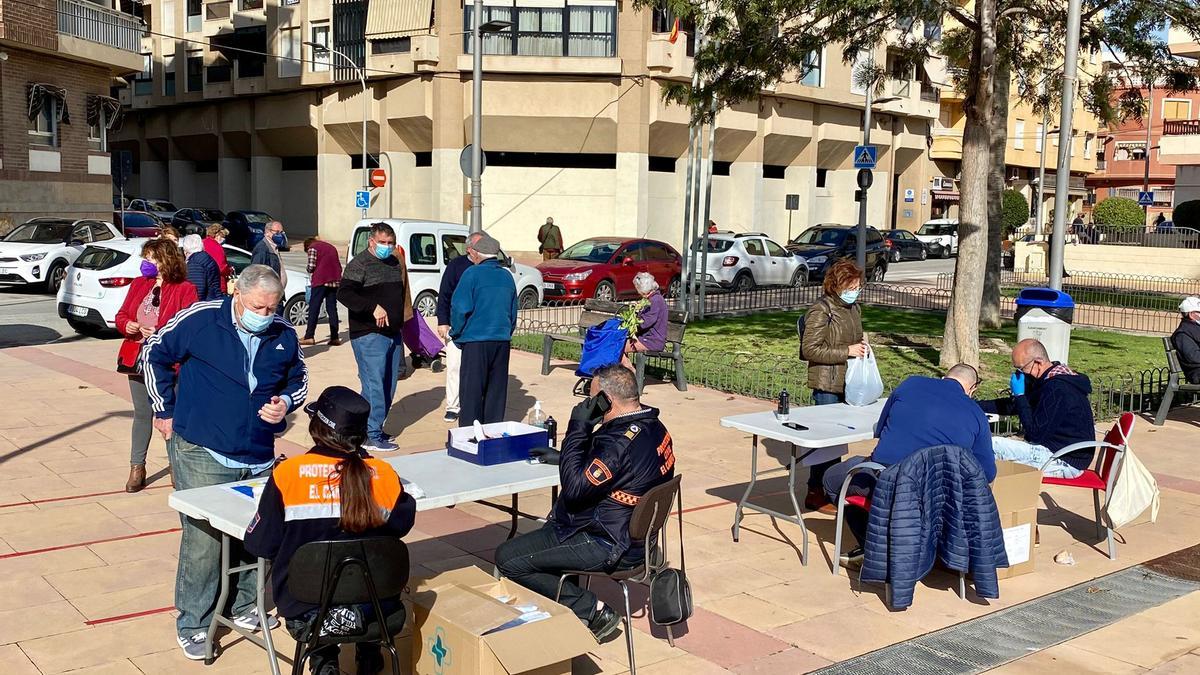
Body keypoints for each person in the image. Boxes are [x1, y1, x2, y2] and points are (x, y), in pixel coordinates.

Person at [142, 265, 308, 660]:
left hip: (258, 453)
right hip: (203, 447)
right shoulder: (200, 319)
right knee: (205, 541)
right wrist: (163, 409)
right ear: (238, 296)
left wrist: (285, 402)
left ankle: (245, 604)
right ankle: (195, 622)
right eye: (258, 307)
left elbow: (298, 378)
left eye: (271, 308)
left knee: (258, 533)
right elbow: (154, 354)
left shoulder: (283, 333)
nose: (265, 315)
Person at [495, 365, 675, 640]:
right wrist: (565, 456)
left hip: (609, 543)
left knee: (509, 558)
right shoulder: (653, 427)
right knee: (543, 539)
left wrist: (578, 427)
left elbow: (576, 489)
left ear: (607, 400)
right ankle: (560, 617)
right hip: (635, 537)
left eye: (592, 398)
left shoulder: (617, 443)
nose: (587, 404)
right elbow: (617, 468)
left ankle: (593, 611)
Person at [245, 386, 416, 675]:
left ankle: (324, 662)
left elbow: (260, 544)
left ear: (316, 428)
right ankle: (370, 653)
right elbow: (402, 525)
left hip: (308, 610)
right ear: (360, 435)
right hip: (376, 607)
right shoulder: (384, 473)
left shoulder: (288, 474)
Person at [822, 366, 995, 561]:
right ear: (972, 389)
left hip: (888, 481)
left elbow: (880, 428)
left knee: (832, 478)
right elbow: (987, 473)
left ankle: (871, 547)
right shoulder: (977, 414)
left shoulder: (910, 384)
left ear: (943, 377)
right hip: (938, 497)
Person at [114, 238, 197, 493]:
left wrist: (160, 332)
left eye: (151, 258)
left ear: (166, 260)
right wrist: (127, 325)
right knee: (142, 413)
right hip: (137, 359)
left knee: (170, 415)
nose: (146, 263)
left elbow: (189, 327)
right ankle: (137, 467)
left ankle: (176, 466)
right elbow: (122, 314)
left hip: (168, 363)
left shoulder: (185, 288)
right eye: (146, 258)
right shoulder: (140, 284)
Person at [800, 258, 869, 512]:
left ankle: (832, 488)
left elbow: (855, 337)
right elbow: (810, 349)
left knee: (838, 440)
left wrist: (862, 345)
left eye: (859, 286)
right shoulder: (822, 309)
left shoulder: (853, 309)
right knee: (826, 443)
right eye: (852, 285)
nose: (856, 290)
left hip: (848, 381)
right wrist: (847, 351)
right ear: (838, 284)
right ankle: (817, 491)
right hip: (827, 383)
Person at [338, 222, 413, 452]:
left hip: (392, 333)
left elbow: (401, 294)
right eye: (382, 243)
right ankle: (370, 435)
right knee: (374, 386)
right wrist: (372, 307)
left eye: (390, 243)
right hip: (369, 334)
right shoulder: (359, 263)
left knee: (388, 385)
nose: (387, 247)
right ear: (371, 241)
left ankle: (369, 427)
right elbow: (344, 293)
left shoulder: (393, 261)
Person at [978, 338, 1094, 479]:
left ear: (1038, 362)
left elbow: (1035, 434)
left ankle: (983, 495)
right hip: (1053, 449)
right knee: (992, 449)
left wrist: (1020, 395)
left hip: (1064, 460)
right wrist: (974, 405)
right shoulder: (1047, 379)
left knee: (989, 445)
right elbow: (1013, 406)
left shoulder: (1057, 388)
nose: (1019, 374)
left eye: (1021, 369)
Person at [450, 232, 518, 426]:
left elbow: (460, 307)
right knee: (496, 391)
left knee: (471, 392)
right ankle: (493, 432)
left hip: (475, 341)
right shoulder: (506, 276)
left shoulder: (472, 273)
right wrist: (506, 331)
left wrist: (456, 332)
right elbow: (513, 311)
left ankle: (469, 435)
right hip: (501, 340)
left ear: (477, 255)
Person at [436, 231, 484, 423]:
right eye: (479, 247)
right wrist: (442, 322)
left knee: (477, 370)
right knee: (455, 367)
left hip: (479, 329)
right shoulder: (456, 266)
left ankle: (474, 404)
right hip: (456, 327)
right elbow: (445, 295)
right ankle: (453, 406)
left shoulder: (488, 267)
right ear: (469, 248)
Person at [301, 236, 343, 347]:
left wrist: (309, 270)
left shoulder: (313, 248)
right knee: (332, 309)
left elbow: (311, 266)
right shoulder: (331, 247)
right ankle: (334, 337)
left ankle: (309, 336)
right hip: (334, 280)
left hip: (321, 280)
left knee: (314, 308)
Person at [621, 272, 668, 368]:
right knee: (615, 345)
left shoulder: (655, 301)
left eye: (637, 288)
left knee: (617, 347)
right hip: (645, 338)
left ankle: (631, 374)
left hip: (652, 341)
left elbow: (645, 323)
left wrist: (632, 323)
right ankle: (628, 373)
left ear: (643, 289)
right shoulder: (652, 299)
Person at [181, 234, 223, 302]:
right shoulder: (205, 258)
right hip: (213, 300)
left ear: (185, 251)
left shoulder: (195, 263)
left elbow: (197, 290)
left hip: (206, 304)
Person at [1172, 297, 1200, 384]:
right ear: (1191, 314)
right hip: (1196, 373)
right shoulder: (1182, 334)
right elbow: (1194, 357)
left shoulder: (1195, 328)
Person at [251, 220, 288, 288]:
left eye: (281, 232)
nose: (280, 235)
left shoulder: (274, 247)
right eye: (277, 232)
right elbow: (256, 273)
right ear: (267, 232)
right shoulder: (262, 248)